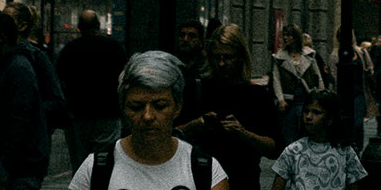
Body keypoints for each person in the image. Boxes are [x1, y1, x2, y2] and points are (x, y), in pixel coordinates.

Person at [67, 50, 229, 190]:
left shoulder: (205, 171)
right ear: (124, 108)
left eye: (159, 106)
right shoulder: (95, 169)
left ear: (177, 107)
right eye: (136, 107)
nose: (148, 116)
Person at [177, 24, 280, 190]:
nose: (222, 63)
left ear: (240, 57)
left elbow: (274, 148)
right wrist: (196, 126)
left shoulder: (257, 95)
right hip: (201, 180)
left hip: (243, 180)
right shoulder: (196, 89)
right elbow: (173, 134)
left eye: (228, 57)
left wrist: (243, 134)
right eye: (217, 57)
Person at [55, 10, 128, 172]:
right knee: (105, 162)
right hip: (108, 113)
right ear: (99, 26)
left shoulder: (69, 50)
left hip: (78, 115)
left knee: (80, 164)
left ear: (79, 28)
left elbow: (60, 81)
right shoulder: (114, 48)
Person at [271, 89, 366, 190]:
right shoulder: (293, 150)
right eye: (306, 111)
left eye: (316, 112)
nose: (308, 116)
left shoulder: (345, 151)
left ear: (330, 119)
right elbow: (278, 185)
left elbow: (354, 186)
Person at [0, 12, 49, 190]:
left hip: (20, 169)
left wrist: (4, 167)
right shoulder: (10, 65)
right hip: (17, 166)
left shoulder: (17, 68)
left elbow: (18, 122)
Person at [4, 3, 67, 131]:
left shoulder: (36, 57)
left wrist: (29, 110)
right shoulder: (7, 54)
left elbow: (57, 100)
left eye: (8, 20)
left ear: (22, 26)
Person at [271, 23, 325, 145]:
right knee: (288, 134)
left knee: (307, 131)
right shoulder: (279, 57)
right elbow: (276, 79)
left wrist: (321, 95)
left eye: (289, 35)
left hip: (307, 97)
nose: (285, 38)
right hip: (289, 100)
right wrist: (280, 99)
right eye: (284, 35)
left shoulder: (309, 54)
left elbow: (318, 76)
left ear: (295, 37)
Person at [328, 30, 372, 150]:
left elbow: (369, 67)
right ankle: (347, 146)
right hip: (343, 94)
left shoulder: (360, 51)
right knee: (345, 122)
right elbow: (333, 75)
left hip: (358, 92)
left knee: (358, 123)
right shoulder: (335, 54)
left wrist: (368, 72)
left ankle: (357, 147)